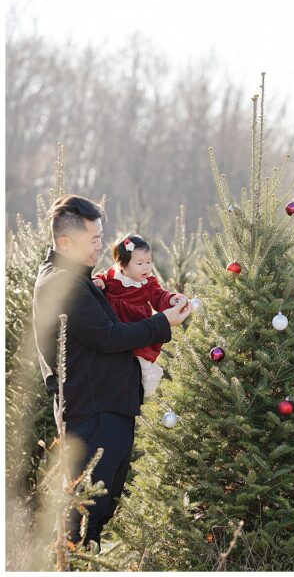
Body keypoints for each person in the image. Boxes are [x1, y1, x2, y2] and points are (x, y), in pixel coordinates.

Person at [32, 195, 191, 547]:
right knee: (83, 517)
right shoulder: (62, 283)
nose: (101, 247)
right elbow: (109, 336)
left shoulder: (78, 280)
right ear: (65, 243)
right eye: (93, 239)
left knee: (98, 513)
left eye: (101, 237)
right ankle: (72, 565)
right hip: (94, 417)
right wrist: (162, 322)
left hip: (107, 411)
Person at [92, 233, 189, 398]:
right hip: (116, 327)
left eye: (149, 262)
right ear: (121, 264)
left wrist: (171, 299)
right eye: (140, 263)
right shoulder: (112, 276)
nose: (146, 268)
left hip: (137, 325)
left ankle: (146, 379)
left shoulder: (148, 283)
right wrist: (98, 281)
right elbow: (100, 278)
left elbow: (160, 296)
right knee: (117, 359)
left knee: (141, 359)